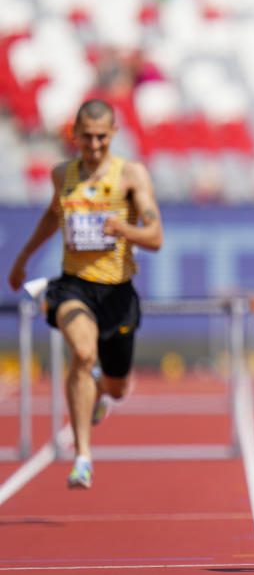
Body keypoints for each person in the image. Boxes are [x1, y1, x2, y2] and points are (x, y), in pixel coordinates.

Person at [8, 99, 163, 489]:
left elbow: (156, 236)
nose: (93, 145)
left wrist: (124, 230)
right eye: (86, 137)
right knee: (82, 352)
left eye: (101, 138)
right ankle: (82, 457)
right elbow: (51, 215)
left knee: (118, 387)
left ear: (112, 135)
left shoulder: (131, 175)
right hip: (74, 285)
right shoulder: (63, 175)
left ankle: (100, 396)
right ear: (74, 135)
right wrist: (24, 256)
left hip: (117, 294)